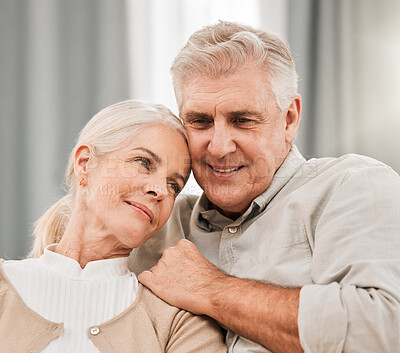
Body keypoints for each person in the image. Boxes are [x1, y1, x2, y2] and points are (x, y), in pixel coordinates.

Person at [129, 21, 400, 353]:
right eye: (200, 121)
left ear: (289, 119)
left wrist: (213, 290)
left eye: (242, 120)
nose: (218, 147)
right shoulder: (157, 220)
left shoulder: (351, 186)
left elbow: (382, 329)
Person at [0, 100, 227, 353]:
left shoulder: (180, 323)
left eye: (174, 185)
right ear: (85, 164)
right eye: (143, 162)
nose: (160, 190)